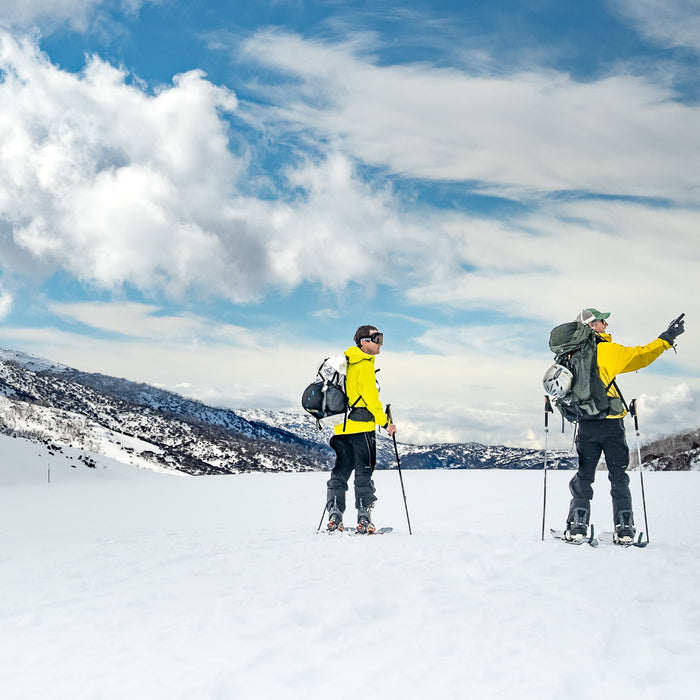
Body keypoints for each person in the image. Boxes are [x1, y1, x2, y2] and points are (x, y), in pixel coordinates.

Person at [565, 308, 685, 543]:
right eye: (601, 322)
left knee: (584, 475)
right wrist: (667, 338)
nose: (606, 325)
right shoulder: (608, 350)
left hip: (586, 424)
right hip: (611, 424)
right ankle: (625, 526)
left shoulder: (570, 354)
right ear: (591, 325)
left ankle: (577, 524)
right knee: (618, 476)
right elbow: (641, 355)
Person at [325, 325, 397, 534]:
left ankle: (334, 516)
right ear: (364, 341)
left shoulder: (344, 362)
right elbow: (371, 400)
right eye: (377, 338)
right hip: (362, 427)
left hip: (341, 427)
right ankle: (364, 519)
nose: (380, 342)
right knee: (363, 473)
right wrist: (385, 423)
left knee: (340, 471)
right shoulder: (363, 364)